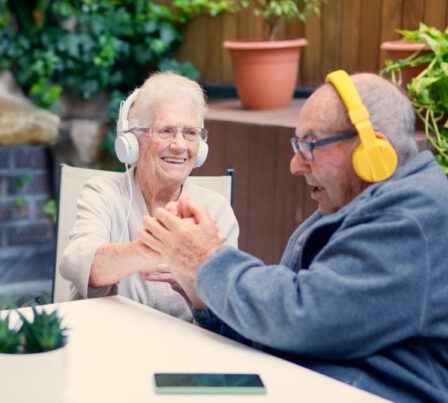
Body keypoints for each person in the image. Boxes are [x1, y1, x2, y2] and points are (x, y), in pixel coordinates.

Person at [137, 72, 448, 401]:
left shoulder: (409, 217)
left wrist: (206, 260)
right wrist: (199, 289)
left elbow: (304, 316)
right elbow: (277, 329)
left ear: (373, 150)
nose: (294, 165)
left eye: (310, 145)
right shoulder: (352, 205)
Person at [59, 71, 239, 322]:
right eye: (165, 131)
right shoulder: (102, 192)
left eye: (190, 133)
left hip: (184, 352)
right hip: (110, 342)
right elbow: (79, 262)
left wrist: (190, 281)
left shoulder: (215, 209)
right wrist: (159, 249)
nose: (179, 145)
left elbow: (227, 309)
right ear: (132, 140)